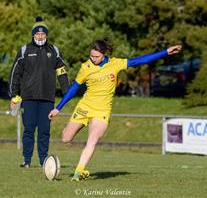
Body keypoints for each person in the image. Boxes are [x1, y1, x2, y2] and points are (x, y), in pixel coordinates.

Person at [48, 39, 182, 180]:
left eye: (96, 57)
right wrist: (58, 108)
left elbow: (140, 60)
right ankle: (76, 161)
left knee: (92, 140)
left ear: (104, 54)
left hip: (102, 111)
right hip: (84, 107)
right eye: (91, 56)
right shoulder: (85, 67)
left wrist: (166, 52)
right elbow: (74, 88)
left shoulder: (115, 63)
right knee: (65, 138)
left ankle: (78, 172)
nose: (93, 59)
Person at [9, 16, 70, 168]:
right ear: (33, 35)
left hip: (47, 98)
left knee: (44, 131)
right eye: (37, 34)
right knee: (29, 129)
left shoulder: (54, 51)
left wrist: (67, 93)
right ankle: (27, 160)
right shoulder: (24, 50)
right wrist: (14, 95)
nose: (40, 36)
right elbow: (15, 74)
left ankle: (44, 160)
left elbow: (62, 73)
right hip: (28, 97)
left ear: (46, 35)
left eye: (43, 34)